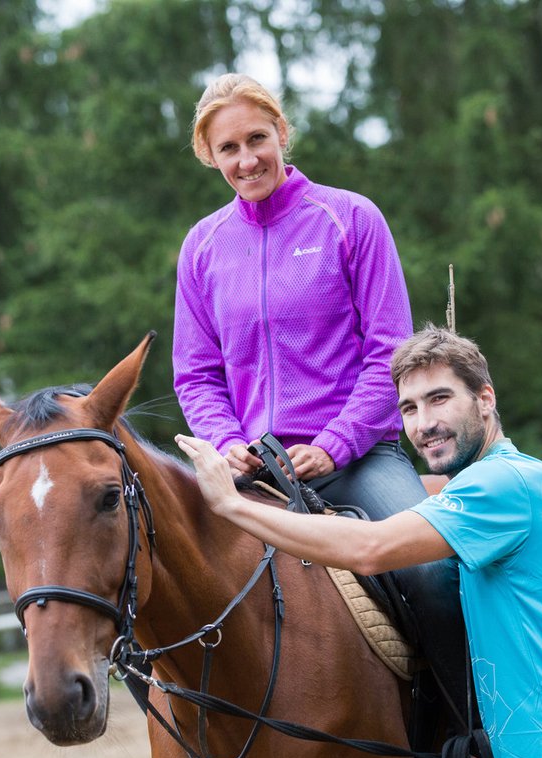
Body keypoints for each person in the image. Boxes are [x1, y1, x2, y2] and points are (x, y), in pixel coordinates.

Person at [176, 324, 542, 758]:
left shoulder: (503, 485)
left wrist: (232, 506)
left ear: (486, 400)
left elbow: (371, 548)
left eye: (440, 398)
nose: (423, 423)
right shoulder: (491, 491)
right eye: (408, 407)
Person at [172, 72, 470, 721]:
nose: (247, 158)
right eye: (229, 148)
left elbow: (390, 352)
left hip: (359, 459)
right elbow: (195, 375)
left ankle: (468, 748)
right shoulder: (201, 249)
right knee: (166, 580)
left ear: (282, 132)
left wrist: (335, 446)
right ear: (209, 156)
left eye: (257, 138)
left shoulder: (351, 217)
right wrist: (227, 445)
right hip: (255, 474)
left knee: (434, 576)